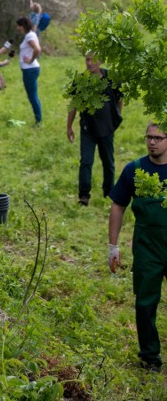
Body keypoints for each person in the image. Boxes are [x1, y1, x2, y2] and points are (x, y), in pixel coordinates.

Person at [108, 122, 167, 371]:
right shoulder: (135, 169)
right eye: (148, 137)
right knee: (145, 303)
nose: (152, 142)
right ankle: (150, 357)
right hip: (147, 248)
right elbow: (118, 206)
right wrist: (113, 246)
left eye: (158, 137)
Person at [67, 54, 123, 206]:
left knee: (108, 161)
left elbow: (119, 99)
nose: (90, 63)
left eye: (93, 59)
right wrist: (69, 127)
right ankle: (84, 196)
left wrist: (115, 120)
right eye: (87, 59)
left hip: (107, 128)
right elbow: (74, 104)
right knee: (86, 161)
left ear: (101, 60)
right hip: (88, 129)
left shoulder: (111, 78)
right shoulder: (80, 80)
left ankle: (109, 191)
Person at [15, 16, 42, 125]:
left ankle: (38, 121)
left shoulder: (29, 36)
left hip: (30, 70)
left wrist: (30, 60)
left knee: (32, 96)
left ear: (24, 26)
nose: (18, 28)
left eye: (19, 26)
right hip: (30, 69)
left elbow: (37, 49)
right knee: (33, 95)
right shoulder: (30, 34)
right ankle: (38, 119)